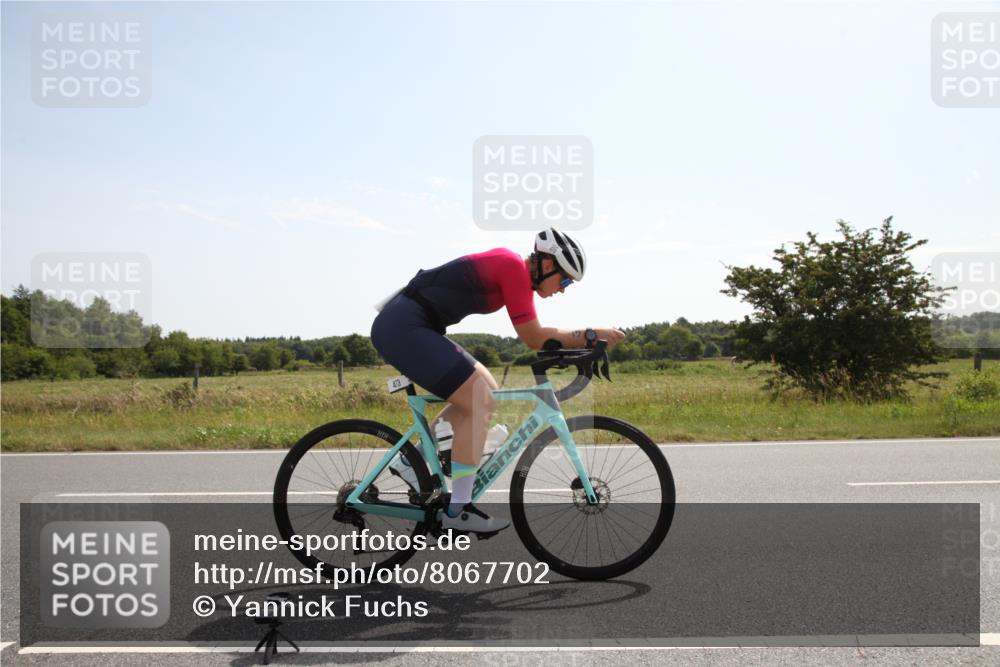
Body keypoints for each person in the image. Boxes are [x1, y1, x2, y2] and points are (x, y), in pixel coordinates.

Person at [370, 228, 625, 533]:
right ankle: (458, 509)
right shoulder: (513, 268)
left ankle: (411, 463)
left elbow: (538, 336)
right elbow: (534, 337)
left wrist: (583, 344)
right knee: (479, 399)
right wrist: (590, 334)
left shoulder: (515, 274)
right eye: (566, 279)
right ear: (547, 265)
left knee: (487, 390)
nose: (564, 289)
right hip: (403, 327)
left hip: (412, 325)